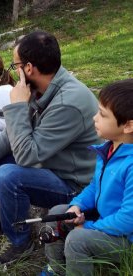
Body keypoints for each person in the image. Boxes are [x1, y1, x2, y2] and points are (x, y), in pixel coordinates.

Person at [0, 31, 101, 264]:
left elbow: (27, 156)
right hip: (50, 165)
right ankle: (3, 217)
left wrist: (16, 107)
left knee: (9, 175)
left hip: (75, 184)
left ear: (28, 68)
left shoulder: (68, 102)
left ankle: (19, 242)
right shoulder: (43, 89)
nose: (13, 71)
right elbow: (11, 136)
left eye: (15, 65)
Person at [42, 79, 133, 276]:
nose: (94, 118)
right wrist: (77, 206)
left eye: (102, 114)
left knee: (77, 239)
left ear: (127, 126)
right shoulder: (108, 148)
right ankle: (56, 269)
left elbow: (128, 219)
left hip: (126, 238)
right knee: (59, 212)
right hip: (105, 220)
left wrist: (88, 227)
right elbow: (94, 186)